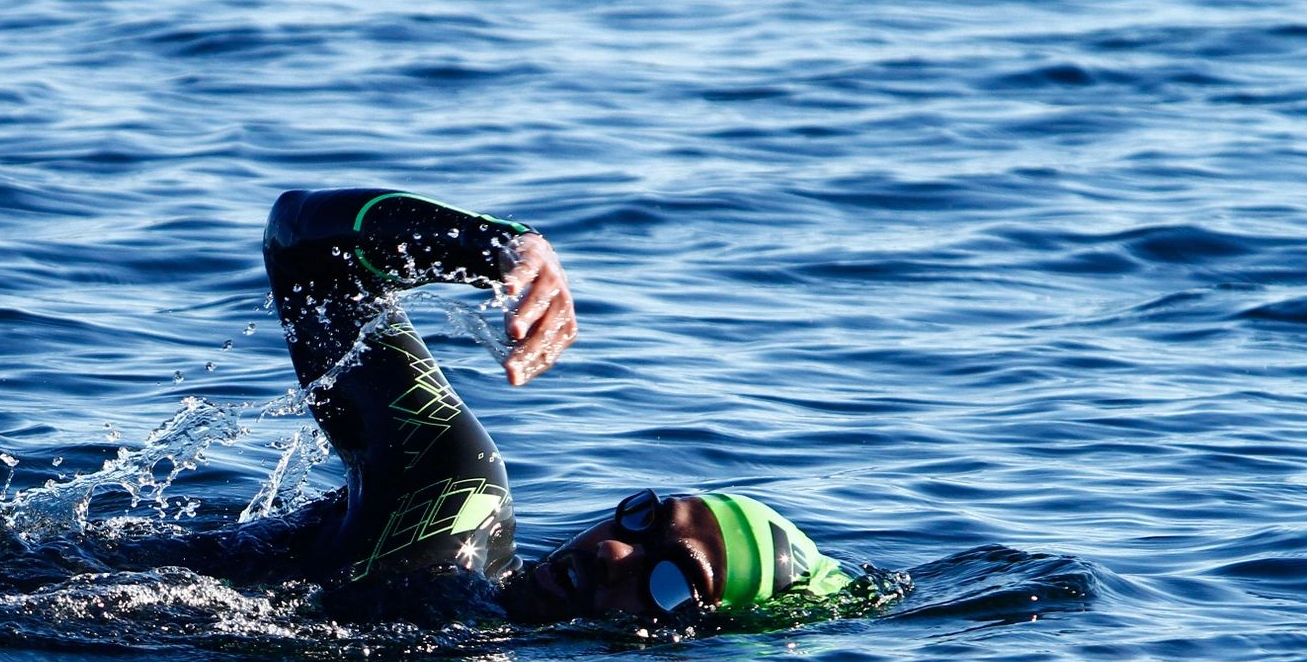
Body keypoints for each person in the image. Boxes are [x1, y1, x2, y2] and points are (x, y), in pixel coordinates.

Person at [162, 189, 859, 625]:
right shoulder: (453, 496)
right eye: (643, 516)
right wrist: (494, 246)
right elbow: (301, 242)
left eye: (671, 581)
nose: (614, 551)